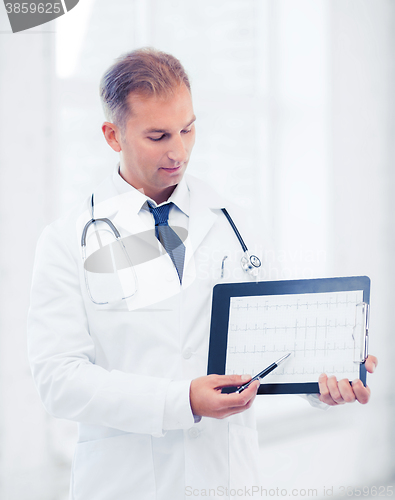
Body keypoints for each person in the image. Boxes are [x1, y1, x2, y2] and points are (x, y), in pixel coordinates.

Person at [27, 48, 377, 500]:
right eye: (158, 136)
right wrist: (183, 401)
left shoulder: (235, 224)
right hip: (126, 484)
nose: (179, 151)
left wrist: (322, 380)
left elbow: (278, 341)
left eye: (188, 129)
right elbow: (58, 380)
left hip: (225, 480)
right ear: (113, 136)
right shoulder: (66, 241)